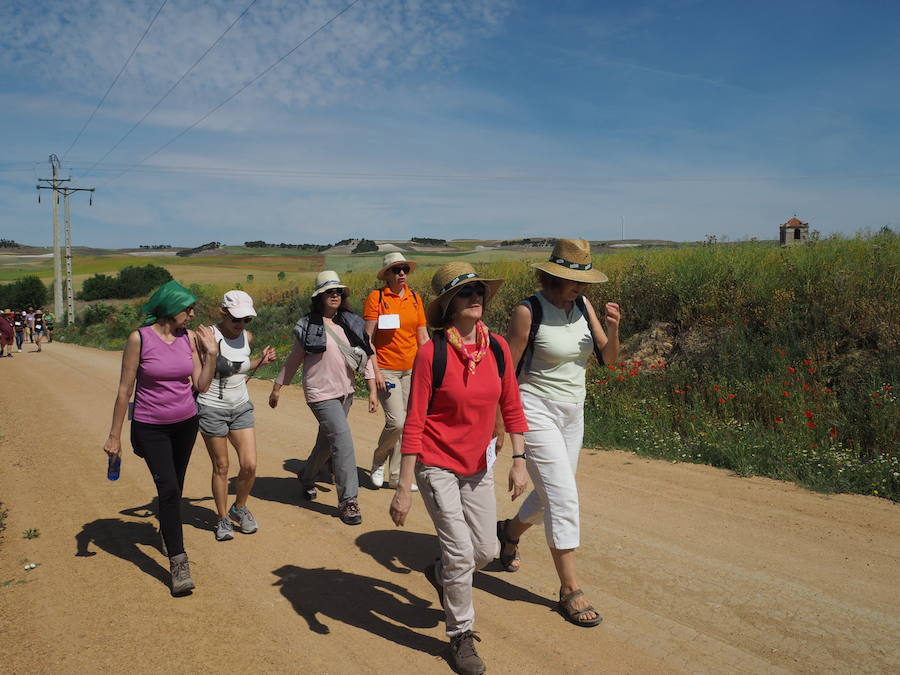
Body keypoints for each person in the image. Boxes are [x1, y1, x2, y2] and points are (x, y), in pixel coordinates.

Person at [390, 262, 528, 675]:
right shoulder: (432, 354)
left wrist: (519, 461)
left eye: (480, 292)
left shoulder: (498, 348)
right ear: (450, 305)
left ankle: (442, 572)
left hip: (477, 464)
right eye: (466, 293)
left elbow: (512, 407)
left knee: (484, 551)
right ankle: (461, 635)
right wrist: (402, 487)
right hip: (435, 464)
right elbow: (414, 421)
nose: (476, 299)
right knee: (461, 551)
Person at [495, 238, 620, 629]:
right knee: (564, 496)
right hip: (535, 408)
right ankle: (570, 589)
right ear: (553, 277)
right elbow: (509, 372)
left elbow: (609, 359)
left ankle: (509, 531)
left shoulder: (583, 307)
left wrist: (614, 330)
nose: (580, 287)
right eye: (573, 280)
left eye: (584, 280)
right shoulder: (528, 310)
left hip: (573, 412)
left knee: (550, 493)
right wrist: (500, 424)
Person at [103, 280, 218, 596]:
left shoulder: (190, 338)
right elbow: (125, 390)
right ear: (170, 308)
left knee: (175, 487)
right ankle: (179, 563)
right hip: (150, 426)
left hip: (185, 424)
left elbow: (201, 385)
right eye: (187, 308)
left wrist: (211, 356)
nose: (192, 314)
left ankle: (169, 531)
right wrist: (115, 437)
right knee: (167, 488)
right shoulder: (139, 338)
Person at [268, 271, 378, 526]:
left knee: (327, 443)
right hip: (320, 393)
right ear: (319, 296)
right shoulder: (308, 325)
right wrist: (277, 387)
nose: (335, 295)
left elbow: (365, 354)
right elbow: (294, 358)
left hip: (346, 392)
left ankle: (306, 476)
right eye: (330, 291)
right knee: (342, 440)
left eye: (338, 291)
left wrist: (372, 389)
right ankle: (348, 501)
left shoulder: (349, 323)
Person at [196, 290, 276, 541]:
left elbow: (238, 367)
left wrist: (261, 361)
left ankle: (239, 507)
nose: (240, 325)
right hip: (212, 408)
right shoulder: (207, 336)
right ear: (224, 314)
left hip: (240, 405)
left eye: (246, 320)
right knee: (222, 466)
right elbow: (215, 370)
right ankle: (221, 518)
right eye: (236, 320)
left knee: (250, 465)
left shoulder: (247, 337)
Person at [363, 252, 428, 489]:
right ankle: (379, 460)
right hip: (387, 370)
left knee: (409, 423)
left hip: (412, 370)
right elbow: (368, 338)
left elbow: (422, 336)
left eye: (405, 269)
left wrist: (432, 365)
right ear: (387, 274)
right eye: (397, 270)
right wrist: (376, 372)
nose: (402, 273)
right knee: (397, 422)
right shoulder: (377, 297)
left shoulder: (415, 298)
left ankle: (398, 474)